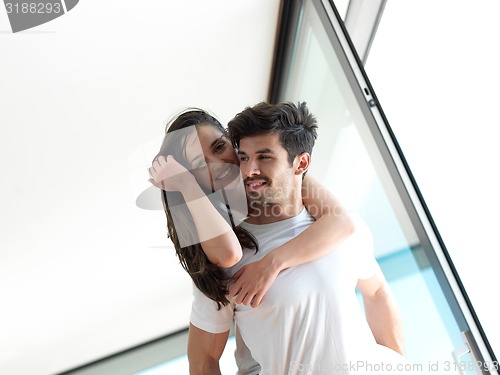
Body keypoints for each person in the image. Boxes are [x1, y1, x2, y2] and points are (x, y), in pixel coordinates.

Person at [188, 102, 407, 374]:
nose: (249, 170)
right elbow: (203, 361)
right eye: (243, 157)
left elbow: (377, 292)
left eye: (264, 157)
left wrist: (399, 365)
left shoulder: (343, 227)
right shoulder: (227, 256)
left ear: (301, 163)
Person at [148, 108, 355, 311]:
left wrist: (271, 264)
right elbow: (229, 254)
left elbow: (341, 222)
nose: (218, 164)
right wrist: (186, 185)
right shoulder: (210, 215)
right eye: (200, 164)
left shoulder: (276, 176)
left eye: (220, 147)